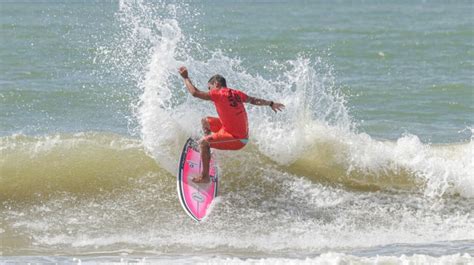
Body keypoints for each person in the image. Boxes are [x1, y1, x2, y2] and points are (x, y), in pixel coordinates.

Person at [178, 66, 285, 183]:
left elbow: (195, 93)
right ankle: (209, 149)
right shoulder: (237, 93)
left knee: (204, 142)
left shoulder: (218, 93)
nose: (210, 91)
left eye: (210, 87)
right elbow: (254, 100)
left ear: (216, 84)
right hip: (229, 129)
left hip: (238, 139)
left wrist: (186, 77)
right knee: (205, 121)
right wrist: (271, 103)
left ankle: (205, 176)